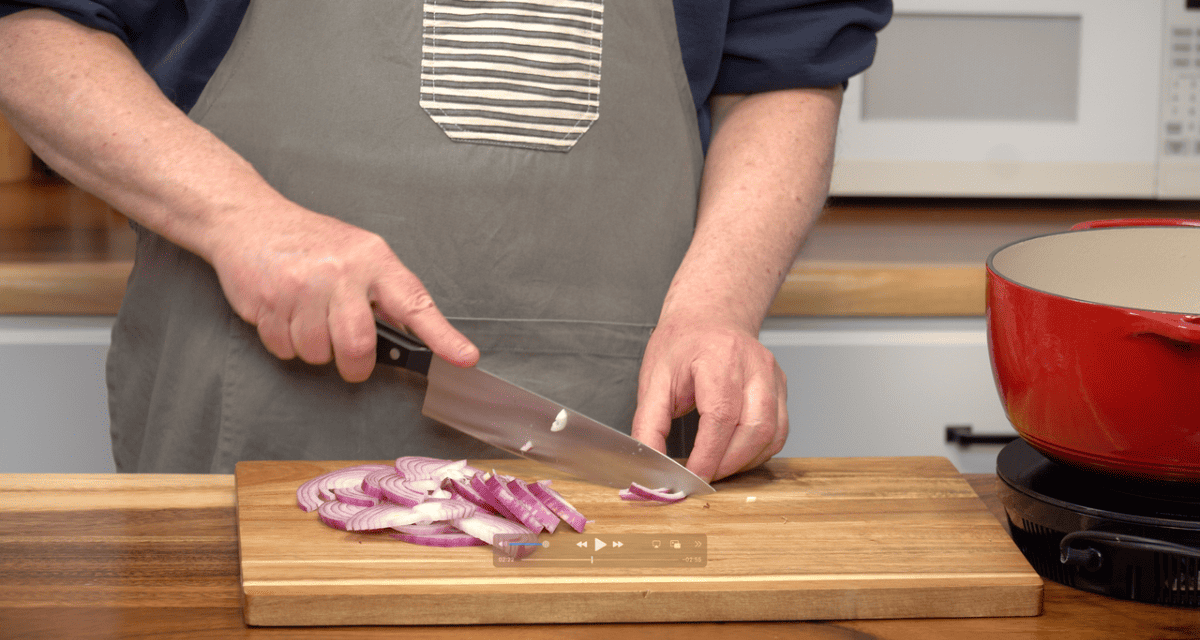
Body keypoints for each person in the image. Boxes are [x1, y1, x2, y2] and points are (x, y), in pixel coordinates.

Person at [0, 0, 891, 480]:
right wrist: (247, 221)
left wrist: (717, 308)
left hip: (617, 434)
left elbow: (786, 62)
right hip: (253, 403)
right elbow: (33, 30)